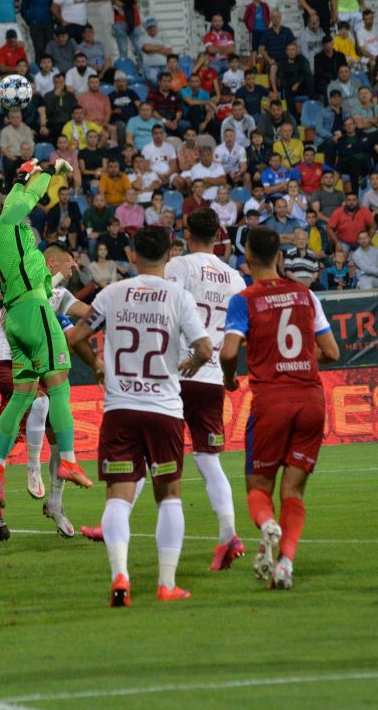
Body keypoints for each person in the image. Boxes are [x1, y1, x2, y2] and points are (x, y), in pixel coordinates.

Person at [66, 226, 211, 606]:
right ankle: (166, 584)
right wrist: (191, 364)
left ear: (132, 256)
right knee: (170, 497)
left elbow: (75, 337)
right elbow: (206, 348)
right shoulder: (178, 296)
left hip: (120, 410)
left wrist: (97, 362)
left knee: (118, 497)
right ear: (169, 255)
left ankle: (120, 577)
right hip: (164, 411)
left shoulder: (112, 293)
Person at [0, 159, 94, 511]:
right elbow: (28, 198)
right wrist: (52, 169)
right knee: (60, 383)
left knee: (22, 396)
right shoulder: (4, 224)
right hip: (35, 311)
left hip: (14, 318)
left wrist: (22, 175)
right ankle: (67, 459)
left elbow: (17, 195)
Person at [219, 225, 339, 590]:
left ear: (247, 260)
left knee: (258, 486)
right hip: (312, 400)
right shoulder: (306, 295)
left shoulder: (244, 299)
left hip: (272, 401)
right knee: (294, 491)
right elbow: (332, 352)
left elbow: (227, 352)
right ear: (281, 257)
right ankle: (285, 562)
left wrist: (228, 379)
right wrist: (300, 360)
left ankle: (267, 526)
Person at [0, 247, 100, 547]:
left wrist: (113, 309)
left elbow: (82, 321)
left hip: (28, 373)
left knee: (28, 434)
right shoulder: (20, 293)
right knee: (37, 411)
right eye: (67, 267)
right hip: (10, 371)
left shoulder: (54, 297)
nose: (72, 273)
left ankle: (4, 519)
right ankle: (16, 499)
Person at [163, 208, 248, 569]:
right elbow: (238, 334)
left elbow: (166, 312)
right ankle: (229, 532)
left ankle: (114, 521)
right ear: (220, 234)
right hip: (212, 378)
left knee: (154, 453)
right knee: (207, 458)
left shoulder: (179, 266)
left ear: (185, 231)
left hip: (177, 373)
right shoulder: (235, 277)